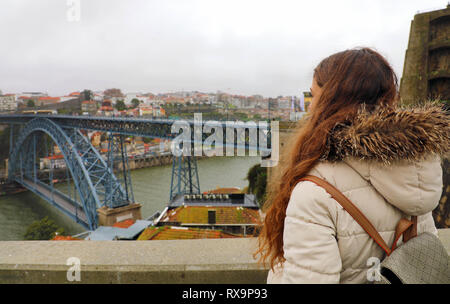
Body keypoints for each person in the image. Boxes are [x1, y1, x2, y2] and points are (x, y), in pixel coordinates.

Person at [255, 47, 449, 284]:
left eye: (314, 95)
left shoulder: (316, 191)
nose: (309, 106)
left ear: (331, 103)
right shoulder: (415, 171)